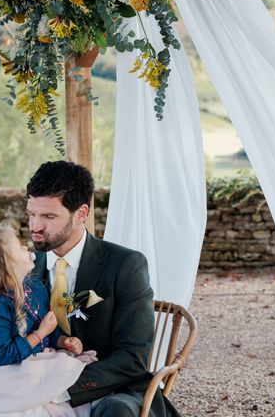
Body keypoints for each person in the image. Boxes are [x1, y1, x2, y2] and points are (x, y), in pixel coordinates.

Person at [26, 160, 180, 417]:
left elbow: (133, 357)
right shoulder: (24, 267)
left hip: (109, 389)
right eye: (32, 214)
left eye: (49, 216)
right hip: (35, 382)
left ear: (81, 213)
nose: (35, 226)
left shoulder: (125, 265)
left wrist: (59, 389)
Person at [0, 223, 89, 416]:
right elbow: (3, 355)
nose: (25, 247)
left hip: (38, 362)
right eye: (19, 247)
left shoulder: (36, 287)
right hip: (8, 372)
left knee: (70, 384)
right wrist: (40, 333)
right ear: (6, 266)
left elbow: (49, 330)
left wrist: (63, 340)